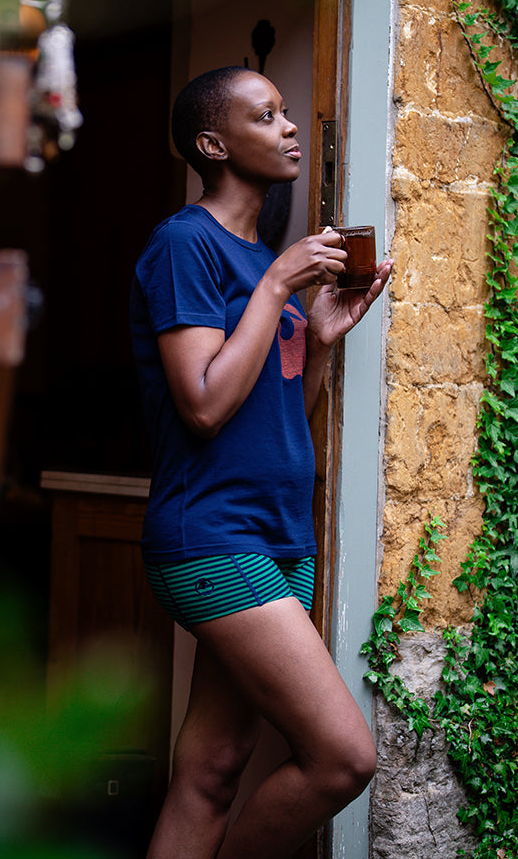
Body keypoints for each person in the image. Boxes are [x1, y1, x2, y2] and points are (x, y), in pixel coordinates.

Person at [129, 66, 393, 859]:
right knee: (345, 757)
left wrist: (316, 336)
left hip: (279, 540)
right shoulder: (186, 245)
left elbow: (276, 409)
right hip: (213, 535)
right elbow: (204, 404)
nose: (288, 128)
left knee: (214, 769)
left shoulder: (258, 261)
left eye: (285, 112)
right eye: (266, 115)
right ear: (214, 144)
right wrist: (279, 281)